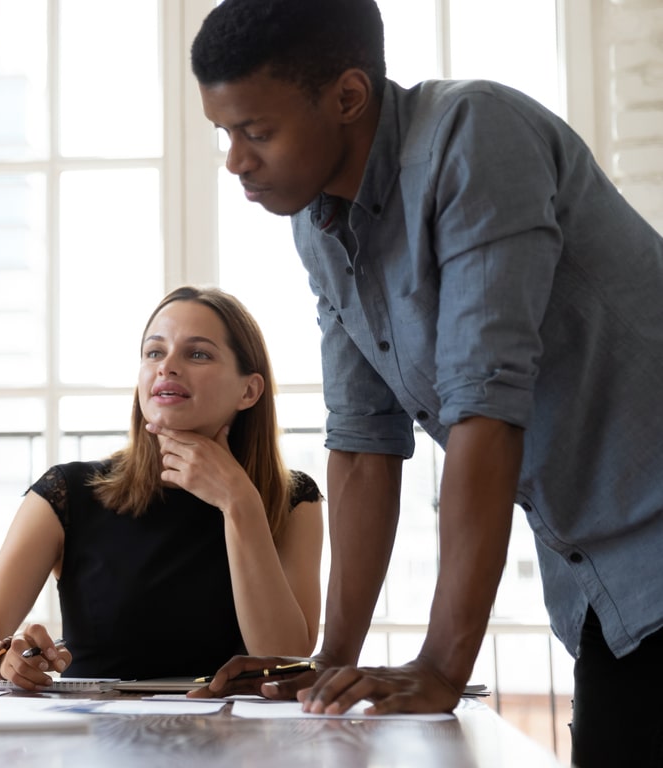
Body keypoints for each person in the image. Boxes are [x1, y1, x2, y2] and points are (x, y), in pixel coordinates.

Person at [189, 0, 663, 764]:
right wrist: (329, 663)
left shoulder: (476, 136)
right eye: (225, 133)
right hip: (606, 589)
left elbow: (486, 406)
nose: (235, 160)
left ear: (347, 97)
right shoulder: (317, 224)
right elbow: (363, 443)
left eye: (257, 131)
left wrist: (443, 666)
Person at [0, 287, 323, 689]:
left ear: (248, 391)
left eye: (197, 354)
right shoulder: (68, 493)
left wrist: (239, 501)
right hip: (97, 742)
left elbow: (286, 664)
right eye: (154, 352)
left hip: (236, 744)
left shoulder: (293, 499)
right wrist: (5, 660)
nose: (167, 367)